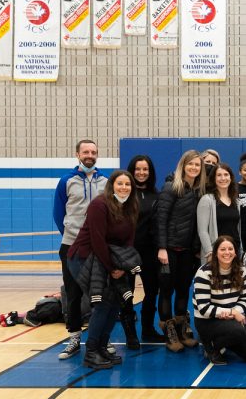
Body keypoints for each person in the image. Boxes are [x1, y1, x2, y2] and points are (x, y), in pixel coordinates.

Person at [66, 170, 139, 369]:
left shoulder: (130, 206)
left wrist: (124, 265)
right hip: (84, 258)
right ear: (111, 185)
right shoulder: (99, 205)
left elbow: (128, 241)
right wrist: (112, 267)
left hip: (110, 260)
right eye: (120, 184)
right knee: (103, 303)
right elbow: (98, 241)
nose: (124, 188)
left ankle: (101, 348)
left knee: (115, 303)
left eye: (128, 184)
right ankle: (91, 352)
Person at [53, 139, 108, 360]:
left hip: (98, 248)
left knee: (99, 295)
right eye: (85, 151)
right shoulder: (66, 181)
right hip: (71, 247)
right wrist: (72, 239)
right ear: (77, 154)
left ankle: (101, 339)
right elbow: (58, 214)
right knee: (73, 293)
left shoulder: (106, 181)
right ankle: (74, 337)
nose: (89, 155)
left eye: (93, 151)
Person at [157, 150, 205, 352]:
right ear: (183, 165)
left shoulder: (198, 192)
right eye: (190, 164)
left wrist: (195, 249)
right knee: (166, 291)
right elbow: (161, 219)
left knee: (184, 290)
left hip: (187, 251)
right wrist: (161, 248)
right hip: (168, 250)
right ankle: (170, 333)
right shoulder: (170, 187)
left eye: (197, 165)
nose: (194, 168)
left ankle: (182, 329)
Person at [192, 236, 246, 365]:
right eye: (222, 249)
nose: (227, 252)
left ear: (235, 252)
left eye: (230, 249)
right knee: (238, 330)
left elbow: (245, 298)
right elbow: (204, 308)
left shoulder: (241, 271)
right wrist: (233, 313)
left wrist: (235, 311)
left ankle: (226, 340)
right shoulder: (203, 273)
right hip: (207, 321)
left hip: (230, 318)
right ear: (215, 252)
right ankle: (211, 345)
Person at [127, 155, 164, 344]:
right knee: (127, 294)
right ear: (132, 171)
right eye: (138, 169)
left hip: (150, 253)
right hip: (127, 253)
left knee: (151, 292)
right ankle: (131, 335)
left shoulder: (156, 195)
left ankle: (148, 330)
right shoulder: (125, 194)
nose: (141, 173)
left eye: (145, 169)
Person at [197, 163, 241, 266]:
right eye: (219, 175)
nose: (223, 178)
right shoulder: (207, 200)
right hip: (215, 254)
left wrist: (240, 250)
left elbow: (237, 229)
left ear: (231, 177)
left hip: (234, 252)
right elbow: (202, 231)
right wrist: (210, 253)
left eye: (226, 174)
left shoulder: (237, 201)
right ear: (213, 179)